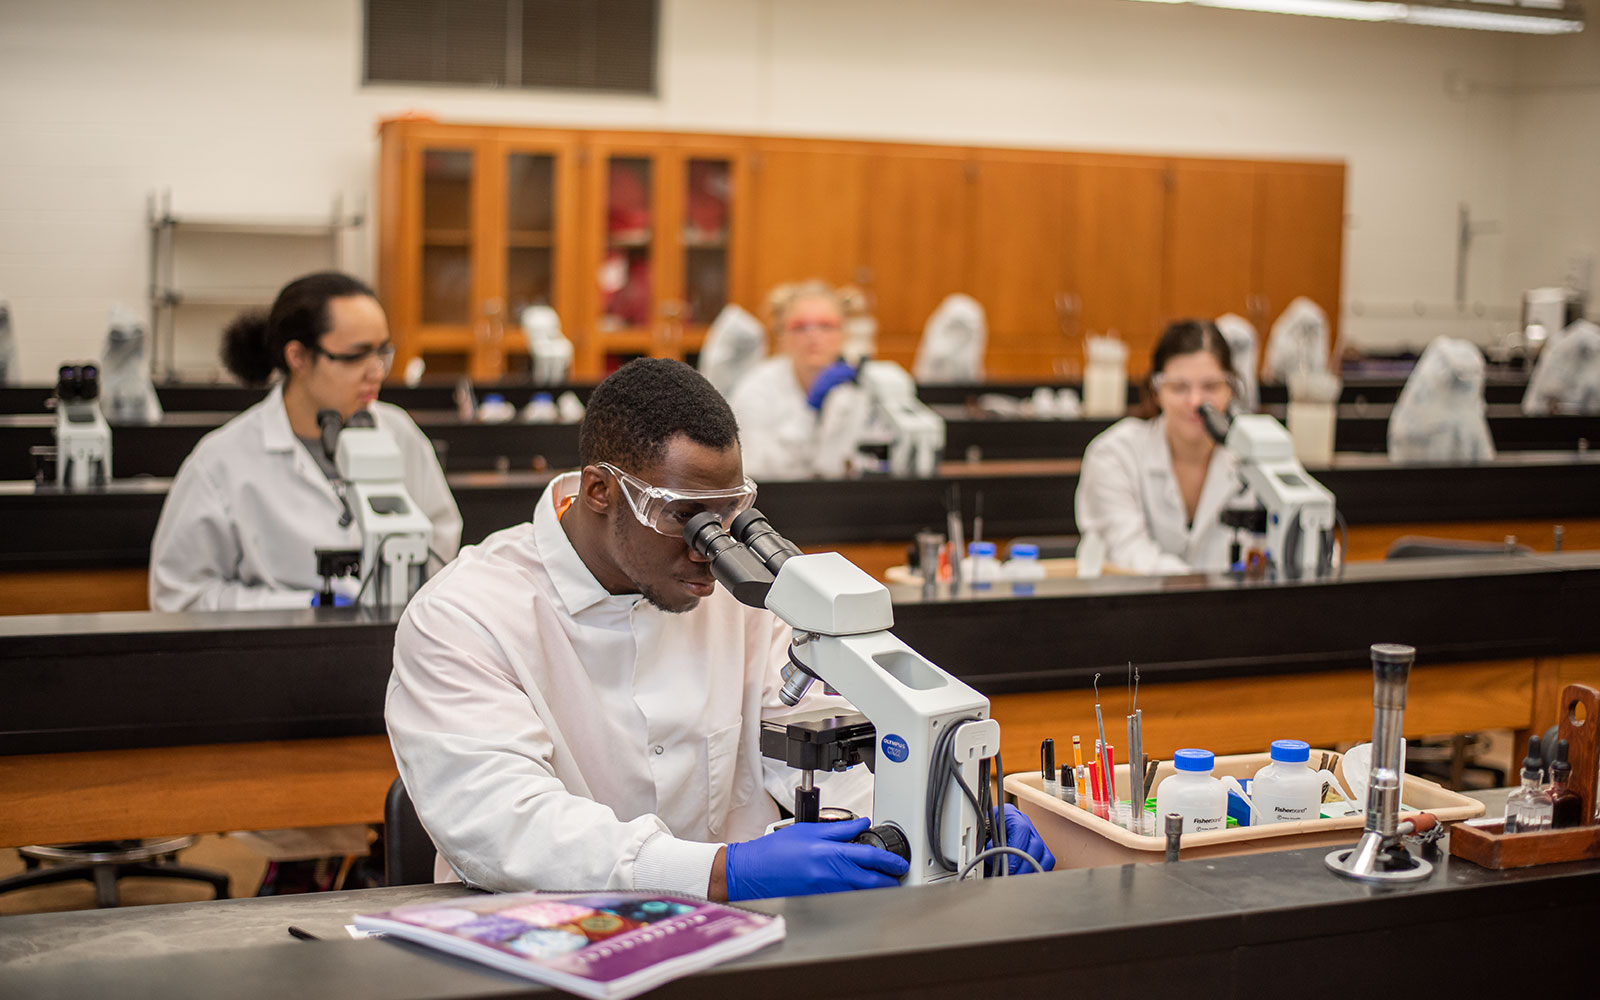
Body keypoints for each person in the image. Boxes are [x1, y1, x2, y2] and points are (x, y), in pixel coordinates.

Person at [386, 358, 1052, 901]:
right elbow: (506, 826)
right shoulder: (463, 617)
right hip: (551, 948)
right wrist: (717, 872)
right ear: (599, 491)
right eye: (684, 519)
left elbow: (818, 736)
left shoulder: (739, 596)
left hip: (745, 947)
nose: (710, 551)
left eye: (728, 516)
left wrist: (945, 812)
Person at [149, 271, 461, 611]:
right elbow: (179, 596)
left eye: (382, 353)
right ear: (297, 357)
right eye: (356, 356)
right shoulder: (221, 461)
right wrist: (301, 607)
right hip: (275, 655)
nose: (376, 372)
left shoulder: (400, 434)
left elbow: (442, 549)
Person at [1074, 320, 1245, 575]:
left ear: (1230, 389)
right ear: (1156, 391)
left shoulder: (1253, 460)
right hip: (1132, 610)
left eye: (1210, 387)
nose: (1196, 402)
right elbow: (1128, 551)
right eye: (1179, 387)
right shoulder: (1115, 455)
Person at [726, 281, 864, 479]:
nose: (813, 335)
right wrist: (809, 411)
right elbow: (756, 470)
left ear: (844, 333)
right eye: (800, 327)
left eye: (826, 326)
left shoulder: (864, 386)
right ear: (782, 334)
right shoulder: (755, 390)